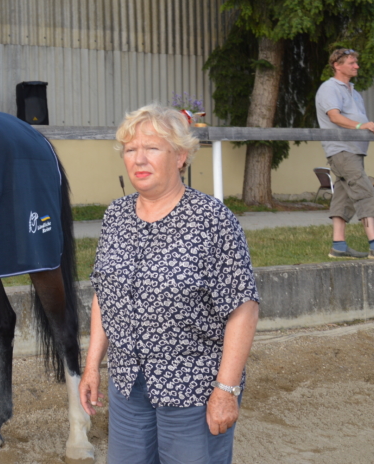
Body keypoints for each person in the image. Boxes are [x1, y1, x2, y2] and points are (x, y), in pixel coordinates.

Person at [79, 104, 259, 464]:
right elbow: (106, 293)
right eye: (131, 150)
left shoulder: (212, 219)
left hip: (194, 388)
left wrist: (226, 389)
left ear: (180, 156)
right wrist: (92, 365)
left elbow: (243, 307)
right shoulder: (116, 216)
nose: (139, 159)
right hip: (128, 386)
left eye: (152, 148)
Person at [315, 47, 374, 259]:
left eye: (356, 62)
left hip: (355, 151)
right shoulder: (329, 88)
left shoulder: (354, 92)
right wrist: (361, 126)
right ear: (337, 65)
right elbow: (335, 117)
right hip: (342, 150)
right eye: (351, 63)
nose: (357, 66)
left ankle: (338, 246)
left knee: (342, 197)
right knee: (365, 192)